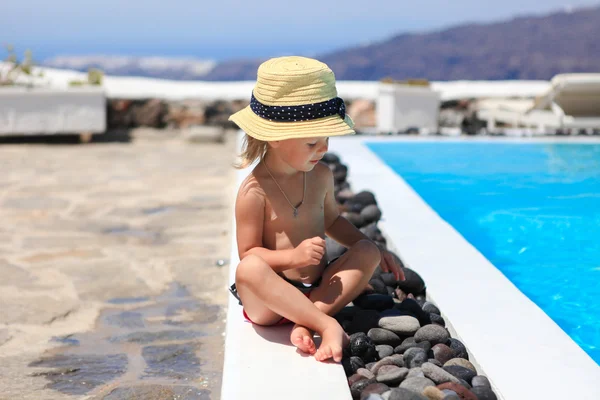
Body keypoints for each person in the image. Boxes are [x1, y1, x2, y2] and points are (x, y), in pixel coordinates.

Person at [228, 56, 404, 363]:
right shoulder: (254, 191)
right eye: (312, 143)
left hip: (318, 290)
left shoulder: (320, 175)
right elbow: (249, 253)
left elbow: (333, 220)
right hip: (271, 299)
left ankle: (305, 321)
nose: (323, 149)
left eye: (326, 139)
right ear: (276, 139)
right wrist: (292, 258)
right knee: (248, 270)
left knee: (367, 251)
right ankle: (325, 323)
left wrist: (372, 247)